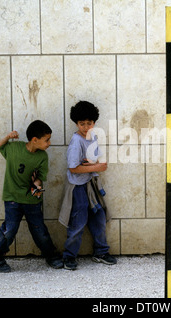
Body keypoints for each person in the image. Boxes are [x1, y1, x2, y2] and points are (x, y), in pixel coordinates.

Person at [0, 120, 63, 272]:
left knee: (39, 230)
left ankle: (51, 255)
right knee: (10, 229)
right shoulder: (14, 148)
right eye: (46, 140)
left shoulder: (42, 157)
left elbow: (41, 176)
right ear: (35, 140)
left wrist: (37, 185)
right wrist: (8, 137)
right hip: (12, 199)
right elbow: (0, 146)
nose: (49, 143)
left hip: (32, 200)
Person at [59, 101, 116, 270]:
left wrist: (92, 164)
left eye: (89, 123)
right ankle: (69, 256)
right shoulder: (76, 141)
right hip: (77, 187)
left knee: (98, 219)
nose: (85, 127)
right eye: (81, 124)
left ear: (94, 123)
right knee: (78, 221)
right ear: (76, 123)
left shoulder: (93, 137)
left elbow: (95, 159)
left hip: (91, 185)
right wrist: (96, 167)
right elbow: (73, 167)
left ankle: (101, 252)